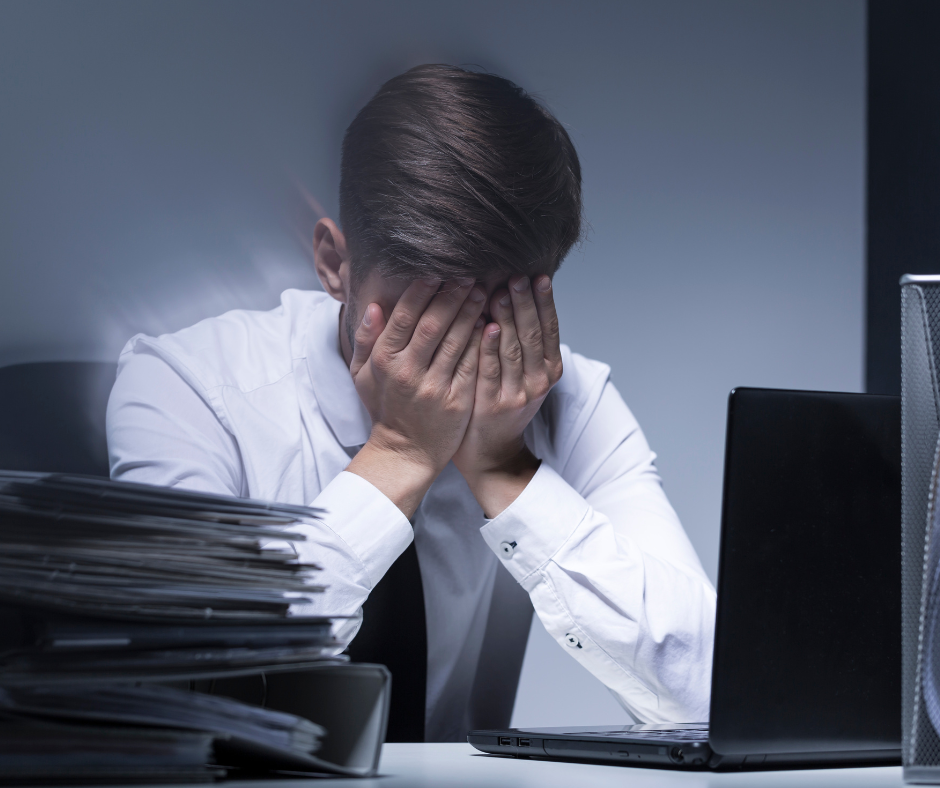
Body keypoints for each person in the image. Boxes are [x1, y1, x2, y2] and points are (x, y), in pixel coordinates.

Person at [107, 64, 716, 742]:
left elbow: (711, 695)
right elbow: (187, 685)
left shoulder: (566, 396)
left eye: (491, 319)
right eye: (419, 316)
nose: (451, 358)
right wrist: (398, 455)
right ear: (336, 264)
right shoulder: (187, 387)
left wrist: (509, 472)